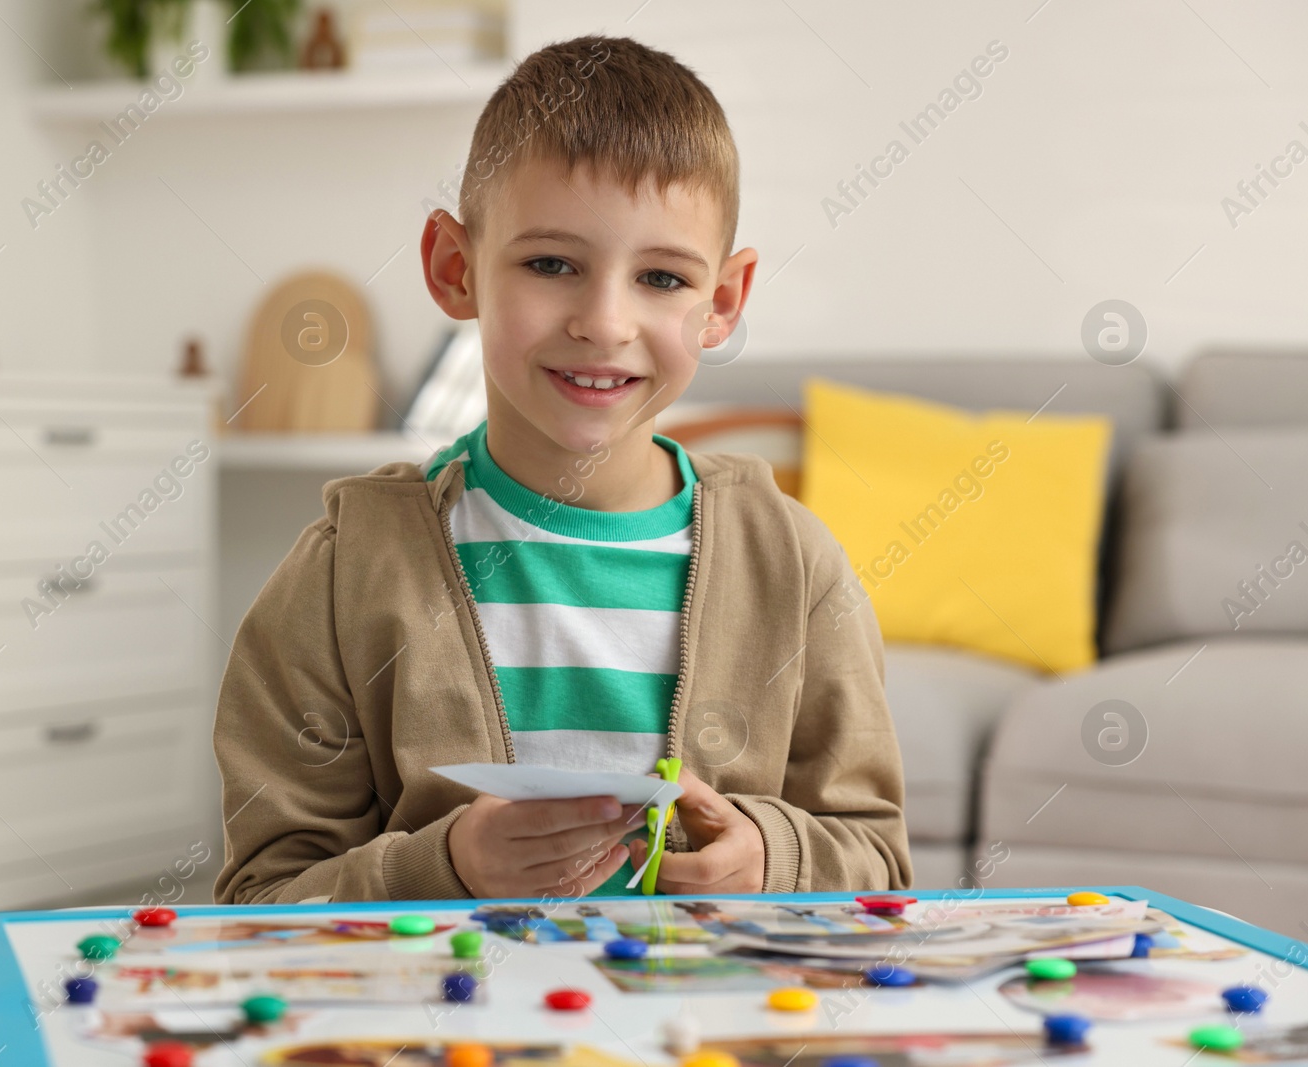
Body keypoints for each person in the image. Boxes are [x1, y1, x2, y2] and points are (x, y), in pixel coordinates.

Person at [213, 33, 911, 905]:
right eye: (552, 264)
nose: (604, 321)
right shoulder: (343, 569)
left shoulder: (794, 563)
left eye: (661, 277)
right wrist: (447, 865)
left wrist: (775, 855)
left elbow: (876, 858)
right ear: (454, 267)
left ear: (722, 303)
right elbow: (264, 899)